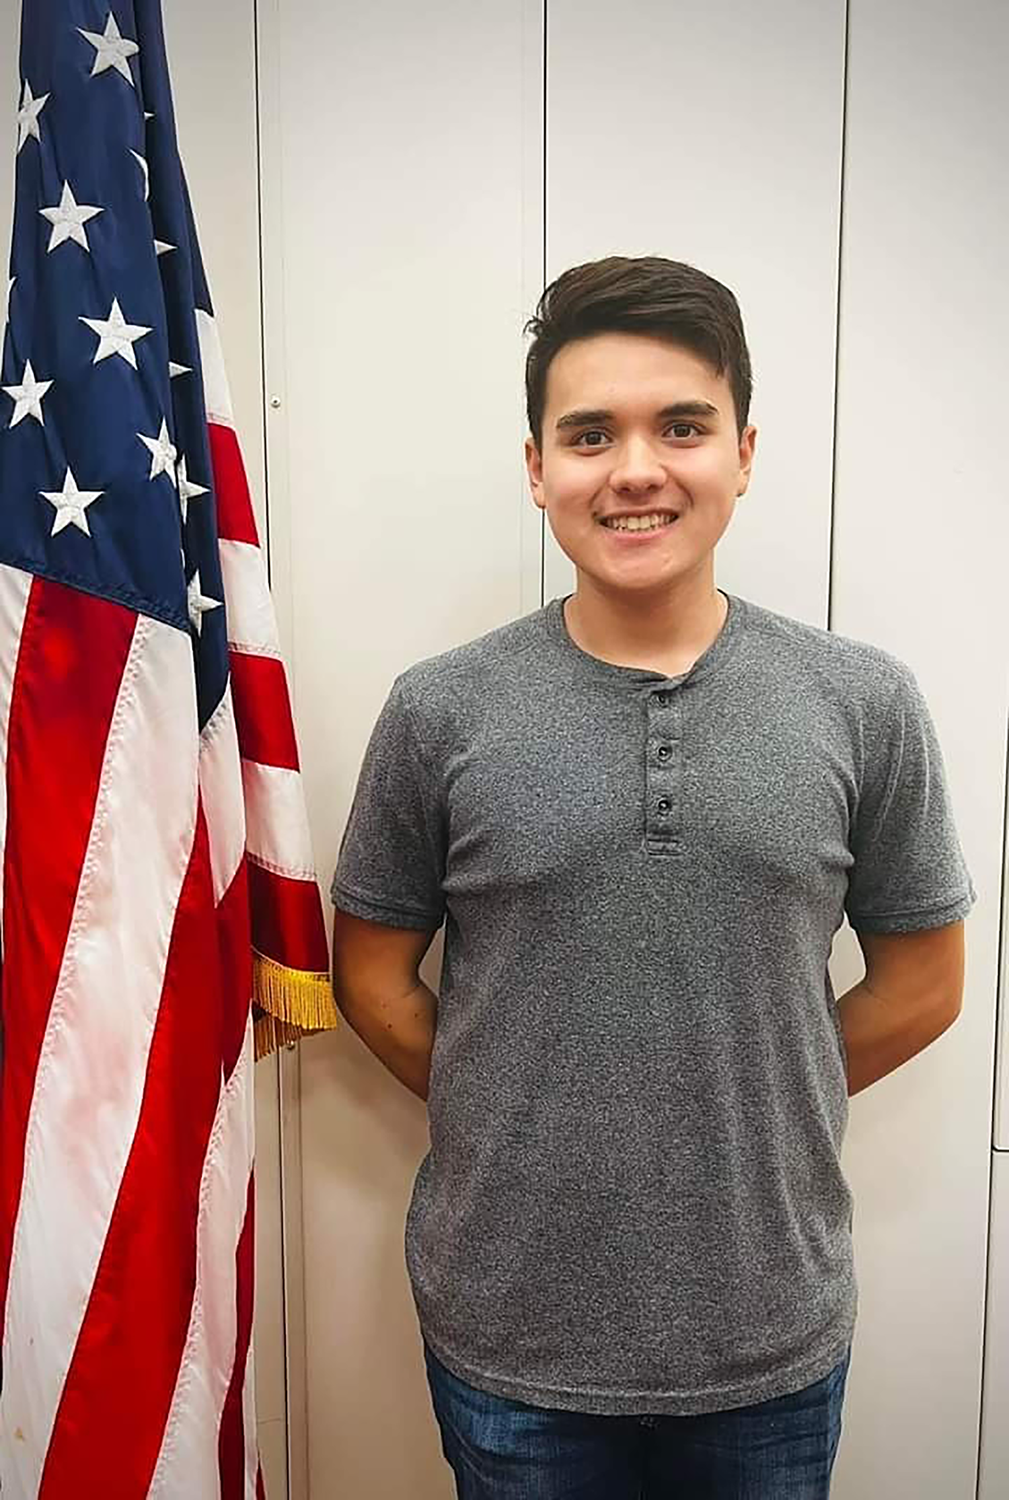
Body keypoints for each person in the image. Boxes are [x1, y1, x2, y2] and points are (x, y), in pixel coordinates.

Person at [329, 255, 977, 1498]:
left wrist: (748, 1092)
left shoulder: (861, 702)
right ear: (536, 469)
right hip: (509, 1339)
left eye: (680, 426)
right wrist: (516, 1093)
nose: (634, 468)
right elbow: (371, 977)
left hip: (767, 1340)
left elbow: (924, 983)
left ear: (743, 449)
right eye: (588, 434)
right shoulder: (439, 711)